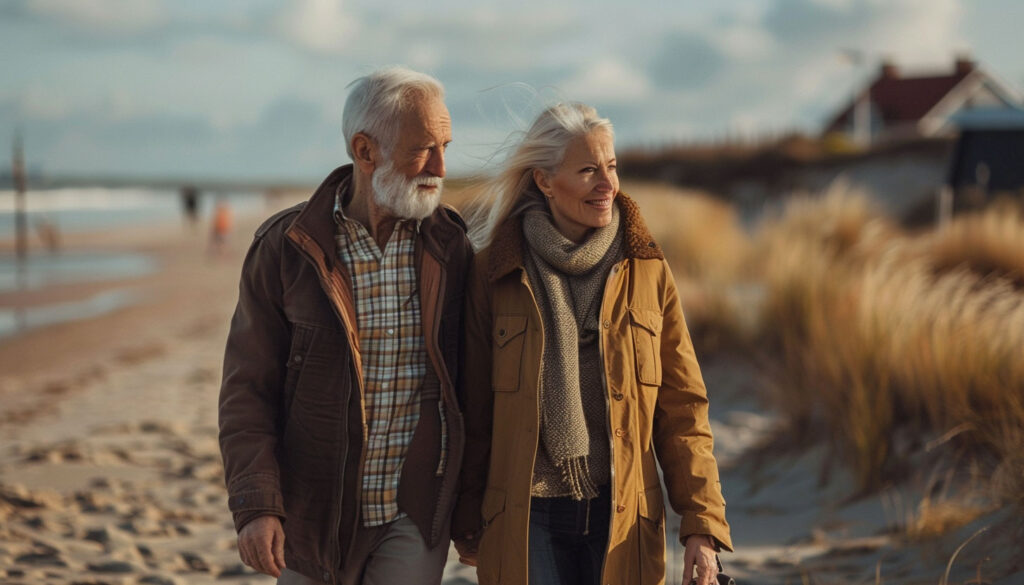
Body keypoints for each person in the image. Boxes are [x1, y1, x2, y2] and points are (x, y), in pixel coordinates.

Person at [451, 103, 732, 585]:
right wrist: (467, 518)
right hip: (524, 515)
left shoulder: (647, 271)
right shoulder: (493, 275)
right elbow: (473, 409)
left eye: (612, 166)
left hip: (622, 514)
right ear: (543, 180)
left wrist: (702, 528)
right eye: (587, 171)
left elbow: (683, 410)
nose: (607, 185)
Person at [218, 67, 473, 585]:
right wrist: (257, 505)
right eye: (425, 148)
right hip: (311, 516)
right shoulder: (284, 247)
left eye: (446, 145)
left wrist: (474, 513)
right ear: (365, 150)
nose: (442, 166)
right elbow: (247, 390)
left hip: (415, 513)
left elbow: (475, 387)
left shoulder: (452, 248)